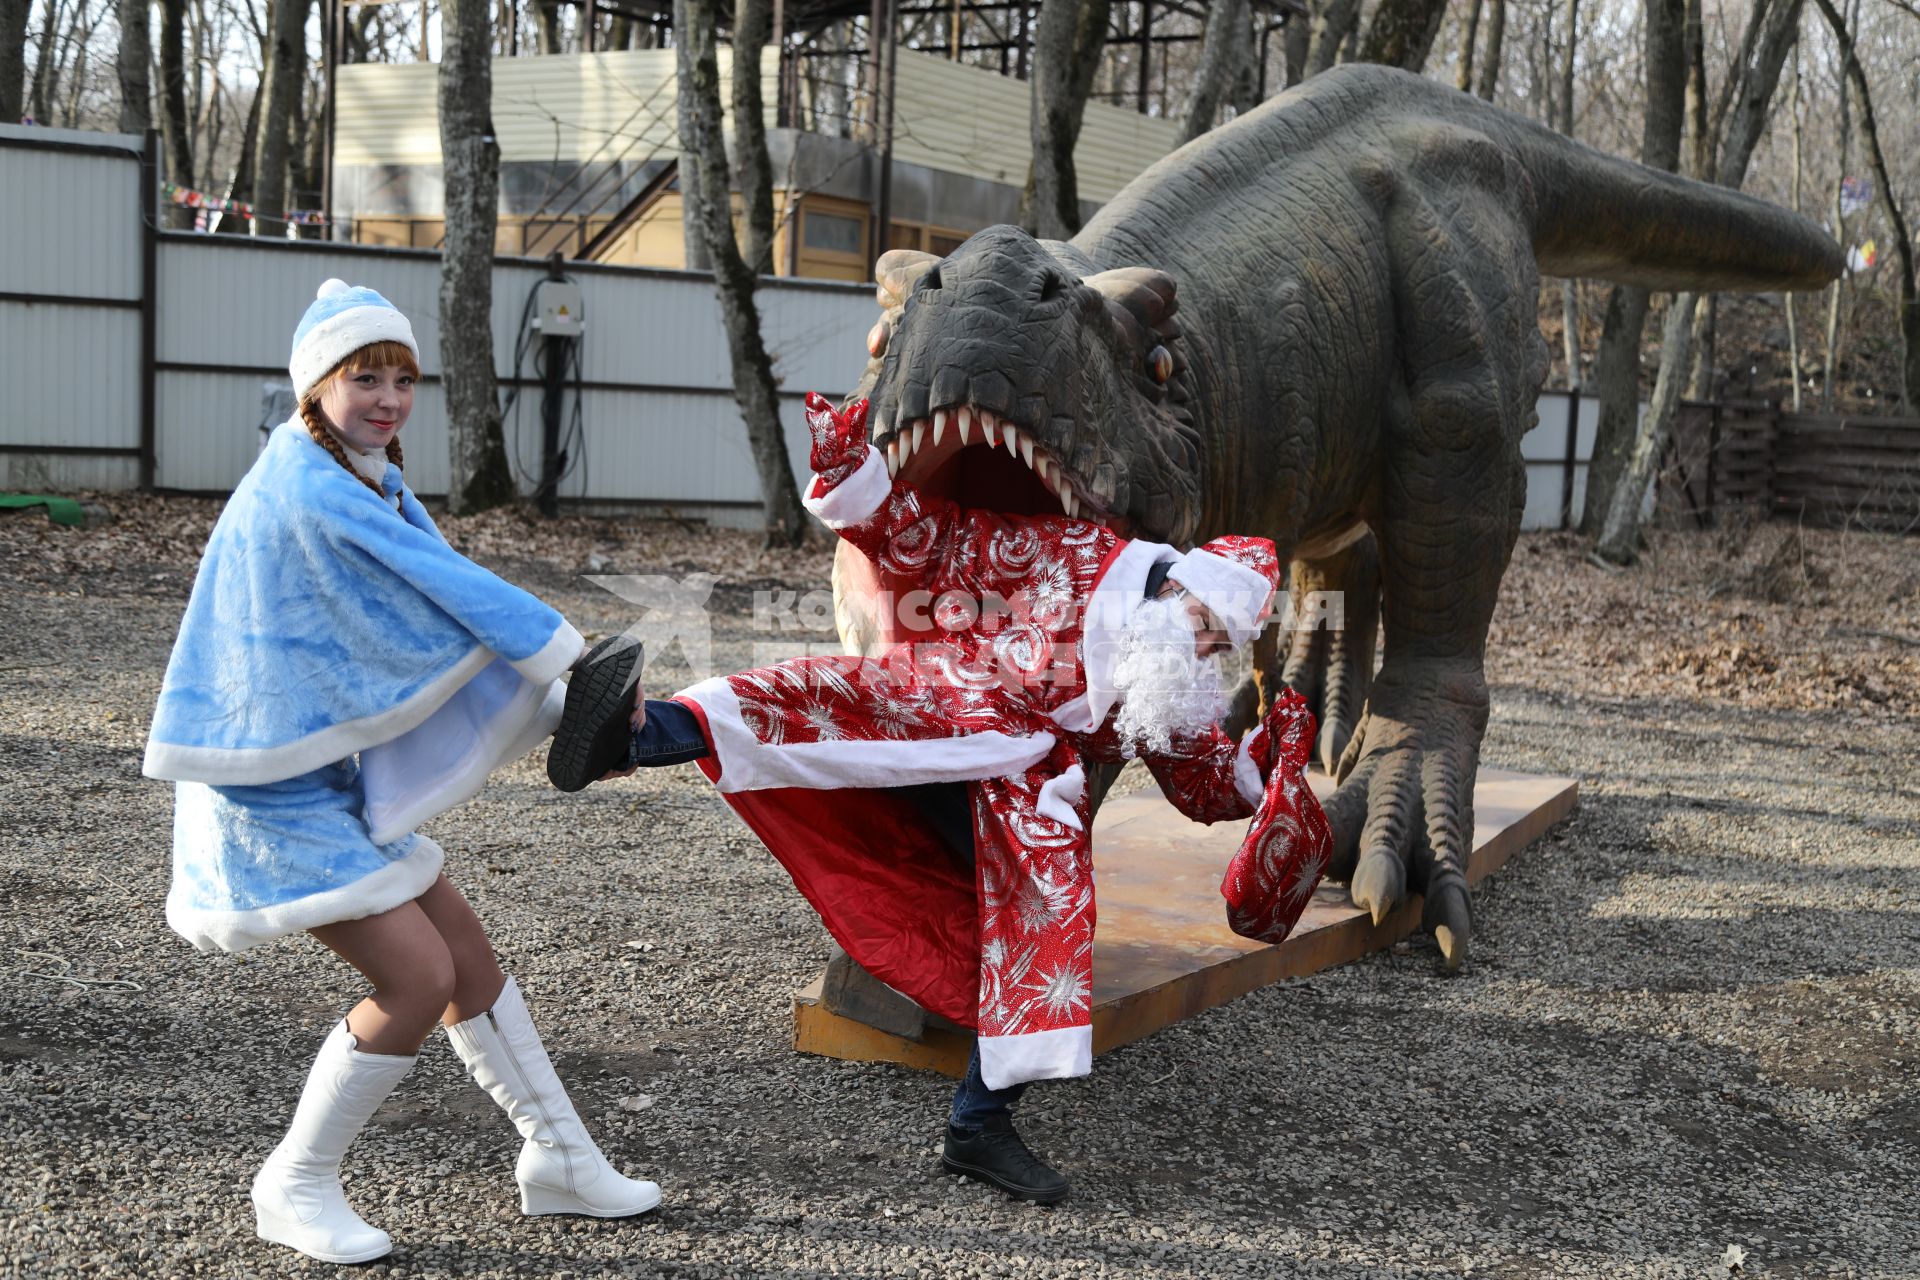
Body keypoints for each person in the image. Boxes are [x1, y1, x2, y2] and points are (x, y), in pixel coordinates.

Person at [550, 393, 1331, 1204]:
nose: (1208, 647)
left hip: (1024, 788)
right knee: (807, 700)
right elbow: (948, 538)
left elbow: (1200, 773)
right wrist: (860, 479)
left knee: (1053, 918)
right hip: (942, 711)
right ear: (1181, 587)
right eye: (1208, 625)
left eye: (1224, 643)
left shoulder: (1166, 678)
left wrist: (1259, 770)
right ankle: (633, 737)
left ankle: (977, 1129)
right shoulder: (1075, 553)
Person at [143, 279, 660, 1265]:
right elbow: (444, 598)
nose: (386, 395)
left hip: (316, 770)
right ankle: (292, 1180)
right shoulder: (309, 485)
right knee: (419, 974)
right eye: (363, 376)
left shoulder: (362, 471)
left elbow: (410, 622)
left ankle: (560, 1156)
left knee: (464, 949)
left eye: (402, 378)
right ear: (315, 386)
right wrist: (567, 659)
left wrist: (566, 700)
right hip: (263, 784)